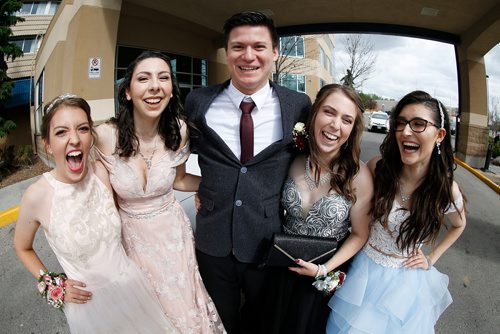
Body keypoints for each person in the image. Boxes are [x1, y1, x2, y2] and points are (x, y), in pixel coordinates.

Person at [185, 11, 311, 333]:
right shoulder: (198, 102)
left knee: (264, 324)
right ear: (226, 52)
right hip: (212, 242)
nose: (248, 56)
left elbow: (319, 158)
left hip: (267, 243)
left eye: (259, 46)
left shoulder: (298, 105)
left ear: (274, 52)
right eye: (238, 47)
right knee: (218, 324)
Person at [14, 95, 177, 333]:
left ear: (91, 136)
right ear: (48, 144)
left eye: (82, 129)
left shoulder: (101, 173)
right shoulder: (36, 196)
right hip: (91, 310)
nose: (74, 139)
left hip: (133, 290)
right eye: (61, 132)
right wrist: (52, 286)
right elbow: (22, 247)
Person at [94, 51, 224, 333]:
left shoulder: (179, 130)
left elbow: (179, 180)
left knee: (182, 312)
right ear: (128, 92)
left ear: (170, 90)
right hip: (131, 241)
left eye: (163, 77)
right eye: (144, 78)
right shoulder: (105, 136)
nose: (155, 85)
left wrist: (211, 187)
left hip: (174, 238)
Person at [327, 91, 467, 333]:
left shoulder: (445, 191)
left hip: (404, 286)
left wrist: (431, 258)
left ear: (440, 135)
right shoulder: (378, 168)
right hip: (362, 272)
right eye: (400, 123)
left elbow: (458, 225)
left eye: (419, 124)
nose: (406, 131)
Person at [267, 84, 373, 334]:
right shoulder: (291, 158)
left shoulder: (359, 176)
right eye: (329, 112)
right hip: (282, 270)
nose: (336, 125)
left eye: (346, 120)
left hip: (324, 279)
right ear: (314, 115)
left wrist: (324, 270)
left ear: (352, 129)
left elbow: (360, 234)